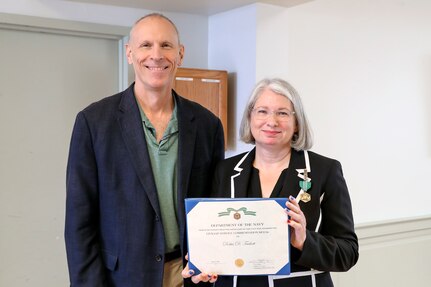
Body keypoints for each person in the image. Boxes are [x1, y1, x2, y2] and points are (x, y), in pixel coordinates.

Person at [65, 13, 224, 287]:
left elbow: (214, 208)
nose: (156, 55)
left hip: (188, 276)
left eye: (166, 45)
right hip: (121, 277)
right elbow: (80, 222)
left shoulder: (208, 125)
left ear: (180, 54)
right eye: (145, 45)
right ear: (129, 53)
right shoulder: (94, 122)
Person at [182, 78, 359, 286]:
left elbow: (347, 253)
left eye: (282, 113)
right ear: (250, 118)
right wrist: (202, 265)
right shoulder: (225, 170)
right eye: (262, 111)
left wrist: (304, 241)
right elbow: (213, 240)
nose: (271, 121)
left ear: (296, 124)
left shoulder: (325, 170)